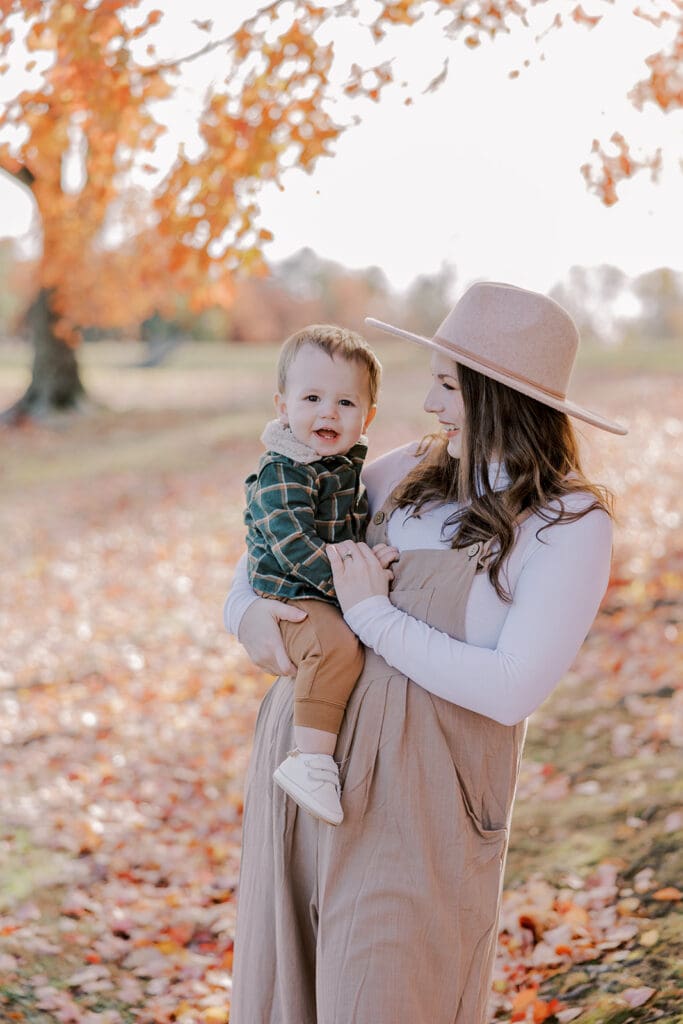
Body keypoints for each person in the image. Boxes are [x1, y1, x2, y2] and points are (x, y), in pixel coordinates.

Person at [224, 281, 627, 1024]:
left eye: (447, 385)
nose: (432, 406)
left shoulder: (567, 523)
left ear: (499, 396)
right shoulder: (403, 471)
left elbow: (511, 688)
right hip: (305, 769)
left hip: (422, 805)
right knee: (290, 998)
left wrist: (372, 616)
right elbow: (260, 554)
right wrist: (245, 615)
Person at [244, 324, 391, 826]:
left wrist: (373, 560)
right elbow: (293, 548)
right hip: (291, 590)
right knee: (332, 646)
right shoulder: (282, 472)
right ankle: (310, 762)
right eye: (312, 398)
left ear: (367, 417)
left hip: (320, 590)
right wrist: (350, 588)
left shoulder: (346, 469)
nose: (329, 411)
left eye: (346, 403)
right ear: (282, 407)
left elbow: (353, 532)